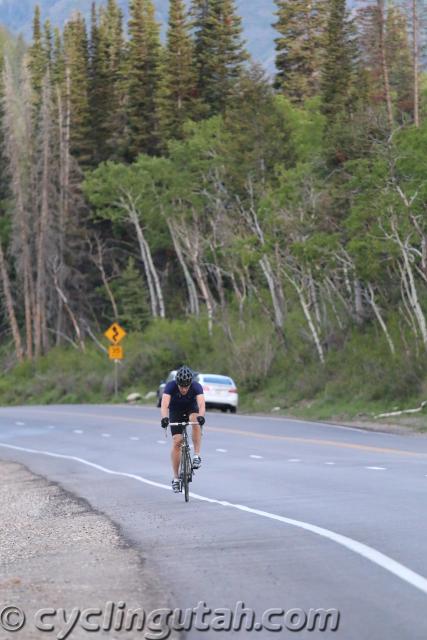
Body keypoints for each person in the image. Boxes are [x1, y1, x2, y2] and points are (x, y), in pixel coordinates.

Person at [160, 365, 206, 493]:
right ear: (177, 383)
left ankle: (196, 455)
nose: (184, 389)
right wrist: (164, 418)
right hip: (176, 412)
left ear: (190, 383)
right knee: (177, 441)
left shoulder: (196, 386)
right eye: (181, 386)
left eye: (186, 386)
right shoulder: (170, 386)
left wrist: (201, 416)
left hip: (191, 409)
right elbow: (164, 405)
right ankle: (175, 478)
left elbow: (201, 404)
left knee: (195, 420)